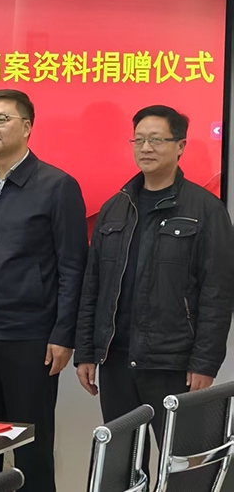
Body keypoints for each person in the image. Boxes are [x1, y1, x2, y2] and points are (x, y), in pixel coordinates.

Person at [0, 89, 88, 492]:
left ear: (27, 127)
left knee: (32, 448)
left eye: (2, 119)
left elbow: (72, 267)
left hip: (31, 336)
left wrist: (63, 334)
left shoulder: (57, 186)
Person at [75, 105, 234, 466]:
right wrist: (85, 351)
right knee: (122, 467)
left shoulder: (205, 210)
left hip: (173, 364)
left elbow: (217, 292)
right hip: (116, 361)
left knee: (181, 466)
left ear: (180, 146)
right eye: (139, 140)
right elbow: (92, 286)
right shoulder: (115, 208)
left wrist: (206, 362)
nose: (146, 148)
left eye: (157, 140)